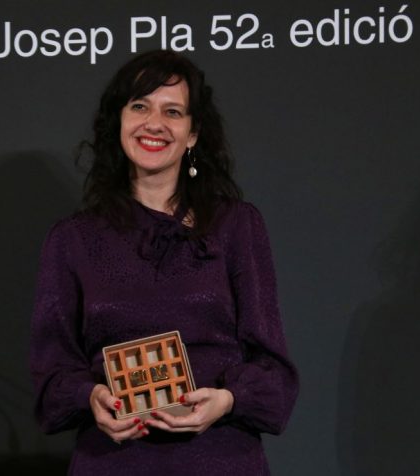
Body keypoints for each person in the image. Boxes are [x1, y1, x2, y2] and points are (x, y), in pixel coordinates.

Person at [30, 50, 299, 475]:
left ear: (192, 134)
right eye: (139, 106)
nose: (153, 123)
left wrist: (227, 400)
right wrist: (90, 397)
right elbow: (51, 377)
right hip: (113, 462)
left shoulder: (237, 226)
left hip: (220, 458)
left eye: (172, 111)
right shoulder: (72, 239)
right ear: (118, 121)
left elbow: (275, 372)